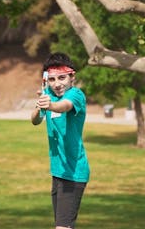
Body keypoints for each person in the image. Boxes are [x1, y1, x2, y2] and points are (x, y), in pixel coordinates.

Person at [30, 52, 89, 229]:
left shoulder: (76, 95)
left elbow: (64, 107)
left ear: (72, 77)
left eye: (62, 78)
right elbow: (35, 120)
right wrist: (39, 105)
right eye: (52, 79)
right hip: (58, 171)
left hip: (73, 172)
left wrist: (50, 105)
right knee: (64, 225)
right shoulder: (48, 94)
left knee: (62, 227)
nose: (57, 84)